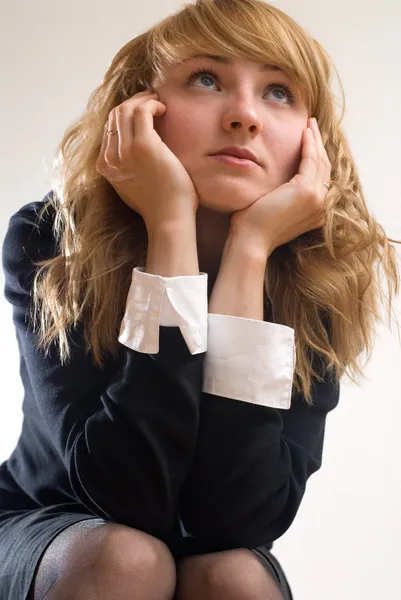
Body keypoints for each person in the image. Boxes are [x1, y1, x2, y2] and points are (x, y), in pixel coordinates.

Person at [1, 0, 400, 598]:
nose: (244, 115)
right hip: (51, 527)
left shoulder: (319, 277)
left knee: (233, 573)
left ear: (311, 140)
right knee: (127, 559)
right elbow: (127, 498)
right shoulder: (55, 241)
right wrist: (170, 227)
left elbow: (234, 519)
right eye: (206, 80)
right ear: (139, 111)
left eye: (279, 93)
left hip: (212, 546)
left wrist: (250, 250)